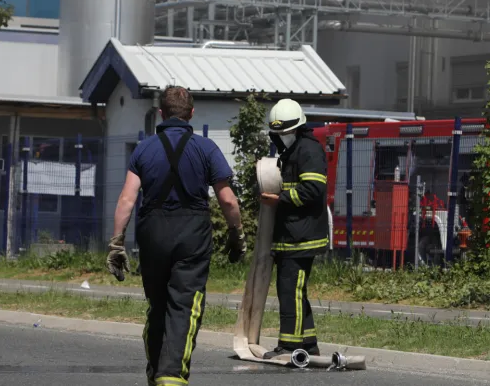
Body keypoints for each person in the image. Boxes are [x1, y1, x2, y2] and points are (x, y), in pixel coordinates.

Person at [106, 85, 245, 386]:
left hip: (152, 233)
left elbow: (127, 200)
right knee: (183, 304)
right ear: (191, 113)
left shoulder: (144, 148)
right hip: (192, 234)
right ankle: (170, 376)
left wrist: (117, 244)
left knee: (158, 305)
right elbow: (228, 200)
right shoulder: (206, 148)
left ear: (161, 113)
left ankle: (155, 371)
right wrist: (236, 234)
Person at [259, 98, 329, 359]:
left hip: (301, 237)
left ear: (298, 128)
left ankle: (290, 347)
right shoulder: (292, 152)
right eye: (278, 133)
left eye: (286, 132)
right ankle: (308, 343)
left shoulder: (308, 150)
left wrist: (280, 199)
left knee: (290, 293)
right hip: (292, 235)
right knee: (295, 292)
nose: (282, 138)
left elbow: (313, 189)